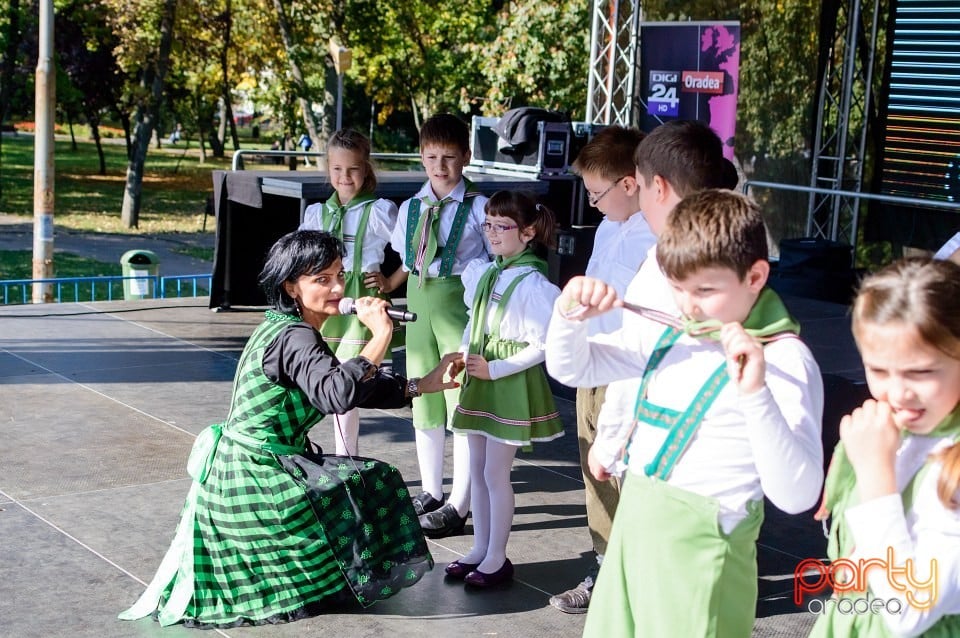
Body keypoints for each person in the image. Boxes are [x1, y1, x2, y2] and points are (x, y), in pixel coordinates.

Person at [118, 230, 463, 628]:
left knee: (365, 480)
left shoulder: (286, 325)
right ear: (290, 286)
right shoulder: (295, 337)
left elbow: (337, 383)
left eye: (338, 275)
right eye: (322, 280)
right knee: (372, 483)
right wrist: (382, 333)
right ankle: (322, 578)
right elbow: (337, 392)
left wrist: (421, 385)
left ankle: (323, 577)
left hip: (257, 462)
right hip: (254, 474)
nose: (337, 287)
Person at [546, 190, 824, 637]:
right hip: (633, 534)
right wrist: (569, 316)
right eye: (677, 288)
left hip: (704, 563)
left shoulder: (786, 361)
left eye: (705, 290)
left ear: (755, 276)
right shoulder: (674, 330)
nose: (688, 306)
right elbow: (572, 367)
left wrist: (756, 395)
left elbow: (797, 495)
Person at [810, 257, 960, 637]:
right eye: (877, 370)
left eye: (921, 372)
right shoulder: (901, 430)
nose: (897, 393)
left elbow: (909, 609)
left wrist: (875, 473)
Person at [548, 125, 657, 613]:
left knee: (630, 471)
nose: (591, 203)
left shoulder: (656, 235)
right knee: (595, 469)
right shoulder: (610, 227)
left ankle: (636, 571)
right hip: (594, 360)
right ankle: (605, 564)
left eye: (596, 193)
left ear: (629, 184)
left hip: (629, 365)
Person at [444, 191, 564, 588]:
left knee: (496, 473)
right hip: (480, 378)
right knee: (476, 470)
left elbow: (543, 344)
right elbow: (472, 320)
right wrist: (463, 352)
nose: (492, 233)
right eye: (488, 225)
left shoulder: (534, 284)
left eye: (502, 226)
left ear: (528, 232)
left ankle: (497, 555)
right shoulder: (487, 273)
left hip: (505, 383)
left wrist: (495, 368)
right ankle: (480, 547)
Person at [389, 113, 491, 538]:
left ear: (466, 157)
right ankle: (431, 490)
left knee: (460, 403)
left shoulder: (481, 207)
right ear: (421, 157)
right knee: (424, 398)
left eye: (450, 157)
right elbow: (402, 255)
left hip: (458, 308)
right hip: (417, 306)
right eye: (432, 157)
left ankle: (460, 502)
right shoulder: (412, 207)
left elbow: (493, 258)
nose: (440, 166)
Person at [299, 129, 401, 456]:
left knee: (349, 377)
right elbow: (303, 257)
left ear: (366, 170)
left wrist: (390, 282)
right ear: (328, 170)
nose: (345, 177)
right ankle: (316, 449)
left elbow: (413, 252)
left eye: (353, 169)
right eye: (337, 169)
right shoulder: (317, 213)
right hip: (327, 300)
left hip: (360, 300)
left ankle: (347, 458)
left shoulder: (379, 210)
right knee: (320, 374)